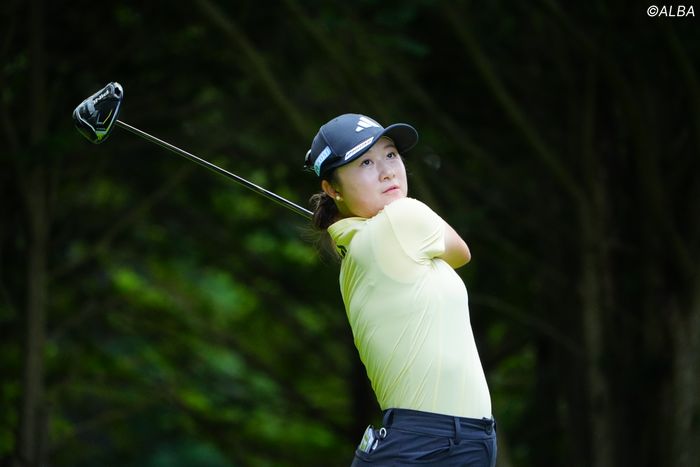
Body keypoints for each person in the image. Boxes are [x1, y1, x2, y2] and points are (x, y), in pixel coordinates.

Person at [304, 114, 496, 466]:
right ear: (332, 189)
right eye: (365, 162)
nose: (387, 172)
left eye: (390, 155)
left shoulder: (354, 250)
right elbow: (460, 253)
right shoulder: (403, 217)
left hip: (456, 442)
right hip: (427, 444)